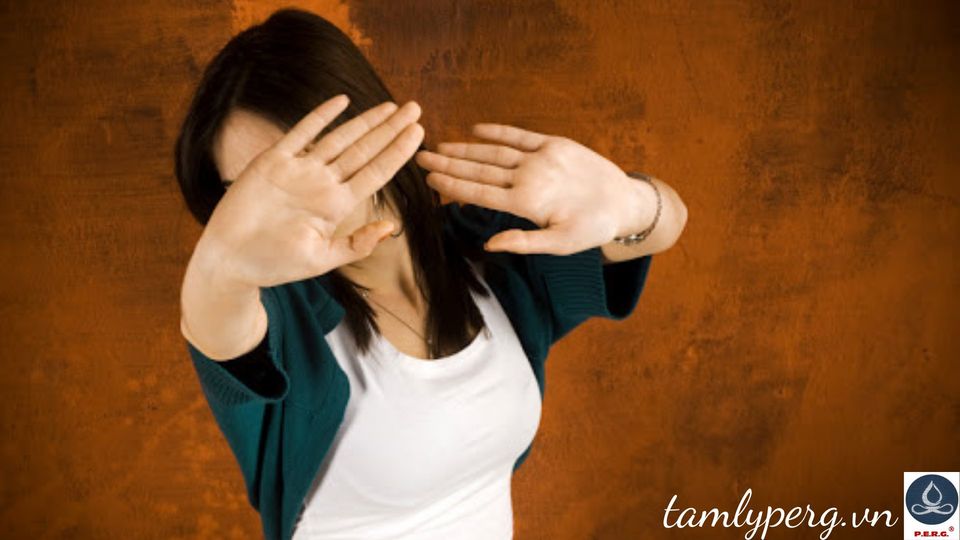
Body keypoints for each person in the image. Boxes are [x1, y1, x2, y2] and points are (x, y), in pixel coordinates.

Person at [174, 8, 687, 540]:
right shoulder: (278, 313)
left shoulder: (484, 245)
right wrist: (222, 264)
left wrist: (631, 203)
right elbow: (214, 315)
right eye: (246, 194)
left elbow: (664, 225)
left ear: (363, 129)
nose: (284, 208)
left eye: (299, 166)